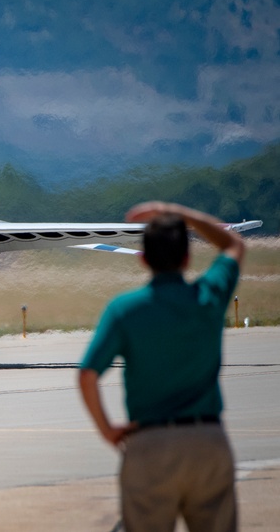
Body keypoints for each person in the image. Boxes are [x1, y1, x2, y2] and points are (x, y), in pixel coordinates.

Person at [78, 201, 245, 532]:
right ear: (187, 258)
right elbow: (234, 245)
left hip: (150, 445)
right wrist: (178, 212)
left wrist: (108, 431)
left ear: (143, 260)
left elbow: (87, 374)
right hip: (208, 442)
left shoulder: (124, 309)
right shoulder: (208, 296)